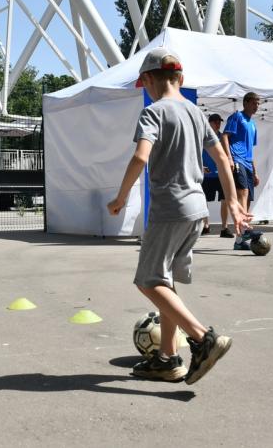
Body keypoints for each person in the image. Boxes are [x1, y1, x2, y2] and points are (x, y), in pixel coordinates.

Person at [107, 48, 250, 384]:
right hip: (196, 211)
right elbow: (222, 160)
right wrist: (232, 201)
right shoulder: (195, 113)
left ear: (150, 80)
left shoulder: (153, 113)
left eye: (144, 84)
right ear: (181, 79)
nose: (145, 90)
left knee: (147, 280)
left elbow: (141, 157)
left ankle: (203, 339)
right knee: (166, 280)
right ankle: (168, 358)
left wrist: (121, 196)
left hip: (169, 209)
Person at [221, 92, 260, 250]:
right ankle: (244, 230)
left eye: (258, 103)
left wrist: (255, 171)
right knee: (242, 192)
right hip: (236, 160)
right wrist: (229, 158)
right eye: (254, 103)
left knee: (248, 197)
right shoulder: (236, 117)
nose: (256, 106)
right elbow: (224, 136)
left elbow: (250, 150)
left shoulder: (253, 124)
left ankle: (239, 240)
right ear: (245, 103)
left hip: (248, 163)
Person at [201, 113, 233, 237]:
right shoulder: (203, 136)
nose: (218, 124)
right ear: (209, 123)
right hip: (207, 175)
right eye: (215, 122)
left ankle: (224, 228)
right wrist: (201, 167)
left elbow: (228, 154)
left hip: (221, 174)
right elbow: (195, 152)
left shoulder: (223, 138)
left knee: (225, 200)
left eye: (219, 122)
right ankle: (206, 225)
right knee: (203, 201)